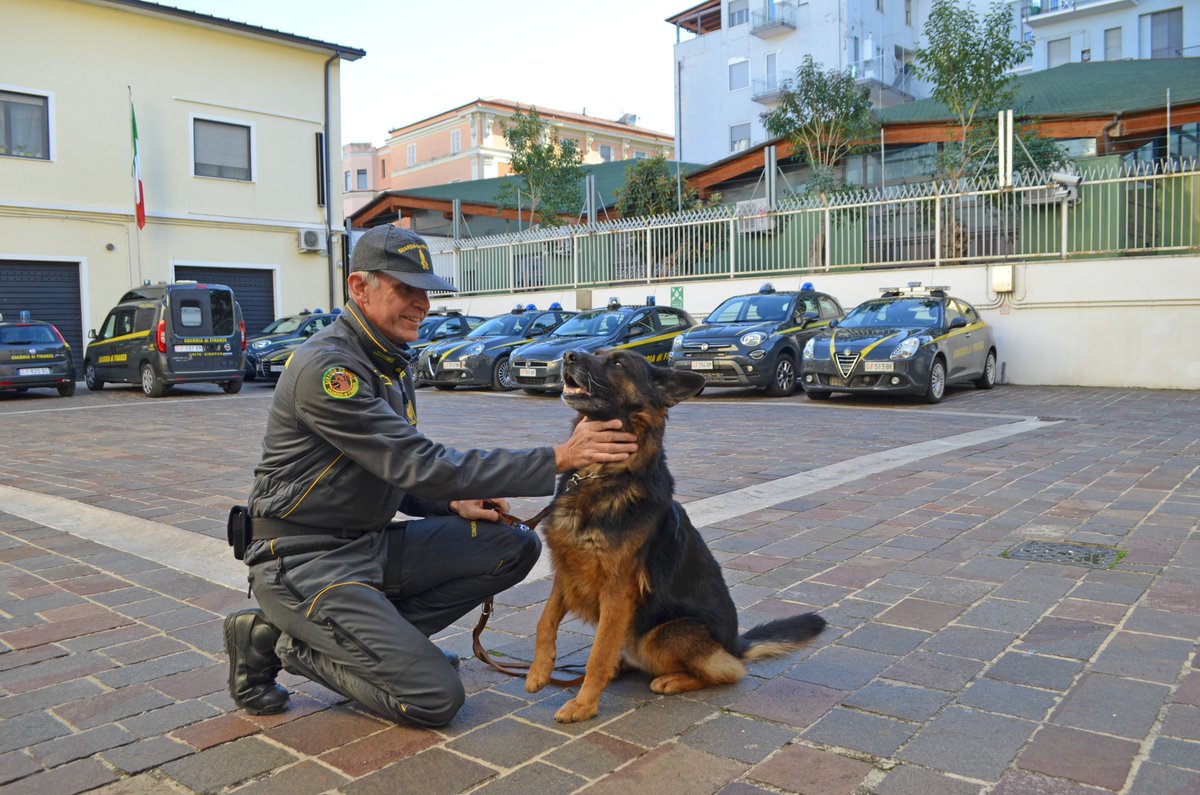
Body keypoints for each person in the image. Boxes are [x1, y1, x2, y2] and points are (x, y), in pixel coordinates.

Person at [222, 224, 637, 728]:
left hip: (366, 545)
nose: (421, 303)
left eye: (426, 291)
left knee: (512, 545)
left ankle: (380, 650)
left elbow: (390, 473)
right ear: (359, 287)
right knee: (433, 699)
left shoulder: (387, 360)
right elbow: (421, 463)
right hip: (305, 561)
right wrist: (560, 457)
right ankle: (282, 641)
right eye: (405, 289)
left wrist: (450, 505)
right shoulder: (330, 370)